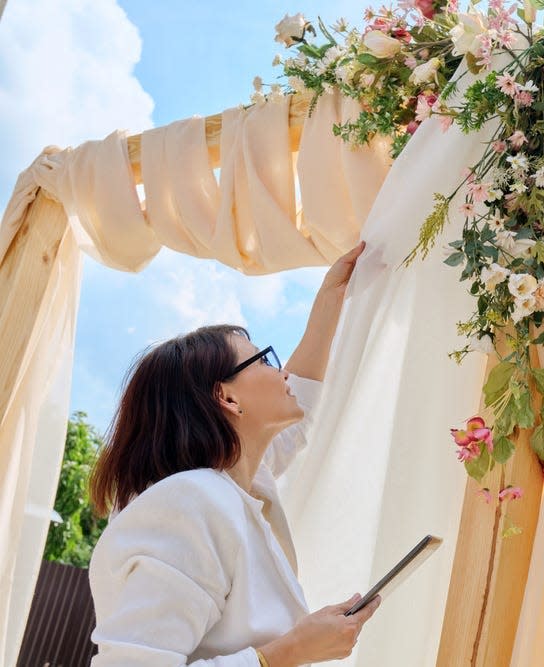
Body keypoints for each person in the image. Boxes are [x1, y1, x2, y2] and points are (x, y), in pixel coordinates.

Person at [87, 242, 379, 666]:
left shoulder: (236, 486)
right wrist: (288, 652)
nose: (282, 373)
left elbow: (303, 400)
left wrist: (330, 299)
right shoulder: (190, 502)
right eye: (264, 360)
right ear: (226, 397)